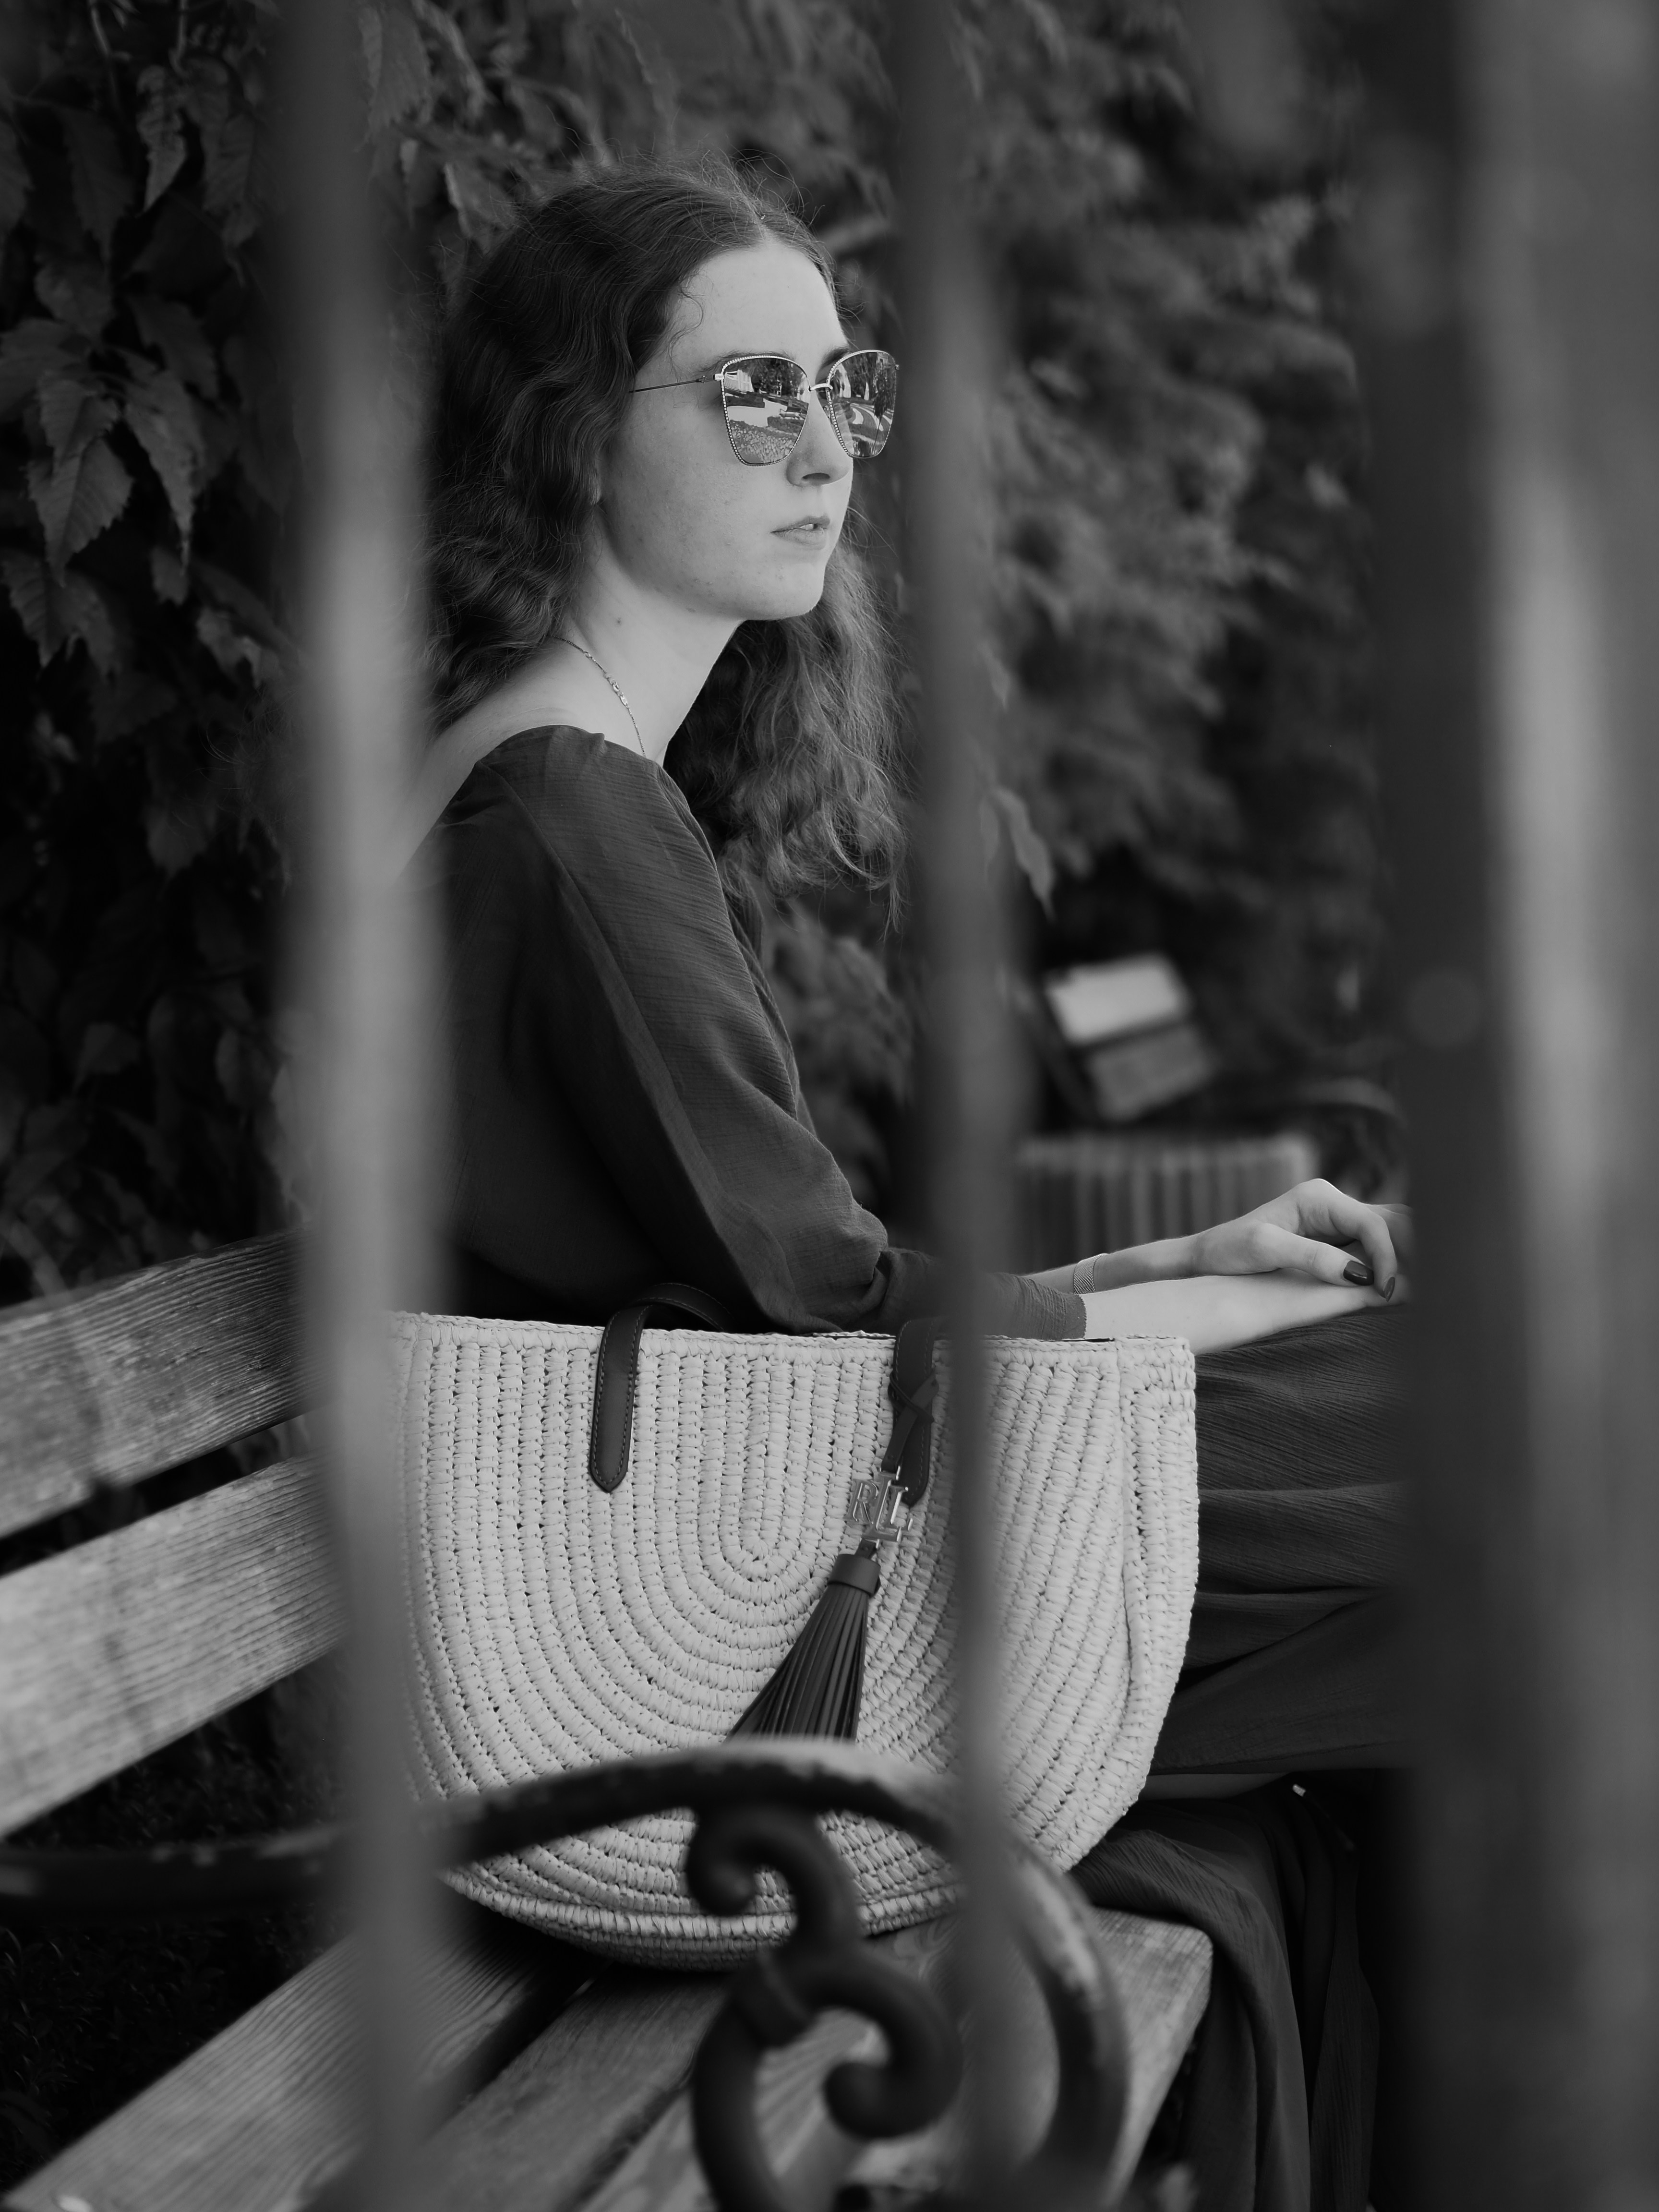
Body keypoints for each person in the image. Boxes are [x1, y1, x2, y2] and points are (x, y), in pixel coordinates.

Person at [412, 164, 1408, 2212]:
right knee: (1520, 1488)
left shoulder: (574, 783)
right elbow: (826, 1307)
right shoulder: (558, 820)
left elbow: (794, 1281)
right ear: (578, 433)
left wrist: (1175, 1262)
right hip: (710, 1624)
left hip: (770, 1521)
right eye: (746, 392)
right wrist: (1190, 1300)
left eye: (839, 389)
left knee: (1485, 1517)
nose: (821, 447)